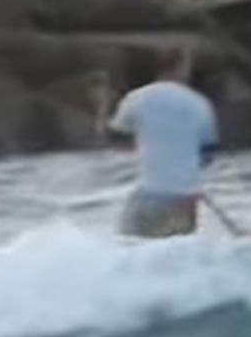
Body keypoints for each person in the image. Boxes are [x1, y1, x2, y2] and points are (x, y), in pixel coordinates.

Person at [92, 46, 220, 238]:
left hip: (150, 193)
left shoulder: (137, 98)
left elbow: (110, 137)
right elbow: (208, 156)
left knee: (127, 245)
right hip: (185, 200)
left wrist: (102, 105)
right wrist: (184, 168)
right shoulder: (200, 104)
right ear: (183, 68)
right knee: (176, 251)